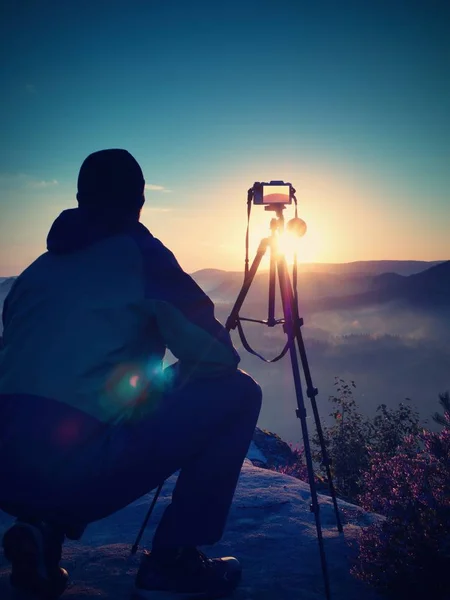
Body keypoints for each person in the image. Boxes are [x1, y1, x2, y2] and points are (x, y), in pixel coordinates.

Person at [0, 149, 262, 599]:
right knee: (238, 393)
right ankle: (173, 561)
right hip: (75, 470)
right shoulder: (143, 256)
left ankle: (42, 534)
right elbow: (217, 359)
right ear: (140, 202)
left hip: (6, 466)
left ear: (79, 199)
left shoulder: (35, 271)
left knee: (77, 405)